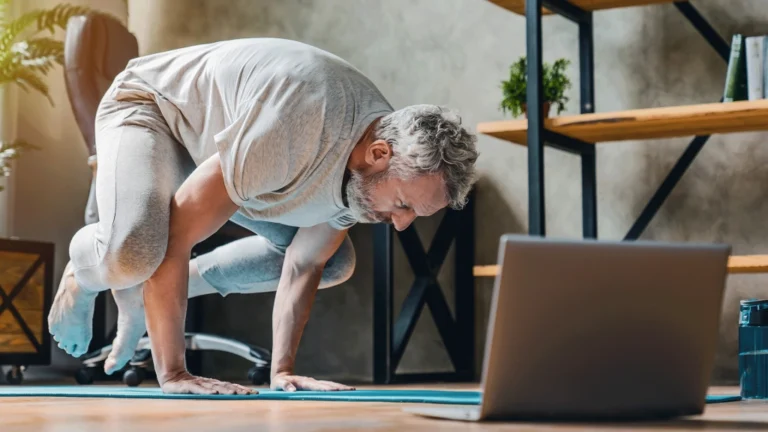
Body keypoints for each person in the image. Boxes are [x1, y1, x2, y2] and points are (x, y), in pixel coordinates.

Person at [48, 38, 479, 395]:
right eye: (403, 205)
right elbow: (178, 237)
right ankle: (83, 275)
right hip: (153, 111)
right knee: (138, 251)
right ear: (379, 154)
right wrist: (175, 374)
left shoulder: (365, 174)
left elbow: (304, 263)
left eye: (414, 215)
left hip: (237, 158)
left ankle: (142, 292)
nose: (401, 223)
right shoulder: (298, 124)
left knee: (335, 262)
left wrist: (283, 371)